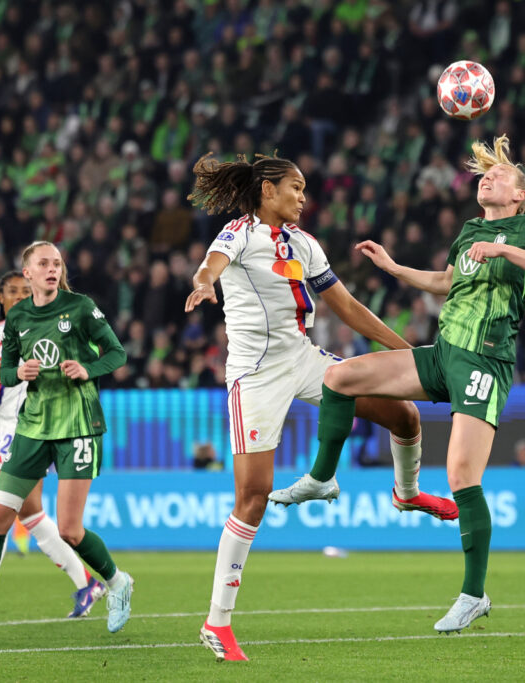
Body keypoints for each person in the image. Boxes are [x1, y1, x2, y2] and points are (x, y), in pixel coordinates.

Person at [269, 136, 525, 633]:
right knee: (340, 376)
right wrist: (393, 267)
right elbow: (446, 282)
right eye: (483, 176)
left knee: (462, 478)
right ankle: (323, 477)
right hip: (443, 354)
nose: (487, 178)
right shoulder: (471, 229)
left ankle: (474, 594)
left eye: (499, 177)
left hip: (484, 360)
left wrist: (506, 249)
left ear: (519, 196)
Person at [184, 152, 457, 662]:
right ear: (267, 190)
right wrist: (203, 284)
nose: (303, 198)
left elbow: (348, 308)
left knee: (405, 413)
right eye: (296, 187)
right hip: (255, 376)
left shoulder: (304, 245)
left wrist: (409, 356)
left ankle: (407, 494)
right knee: (253, 497)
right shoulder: (238, 233)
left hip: (305, 358)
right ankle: (216, 622)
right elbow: (210, 266)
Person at [0, 241, 132, 640]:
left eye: (57, 263)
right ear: (28, 273)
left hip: (76, 424)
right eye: (44, 263)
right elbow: (4, 372)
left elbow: (117, 353)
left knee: (71, 530)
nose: (52, 269)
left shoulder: (79, 307)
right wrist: (18, 371)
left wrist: (88, 368)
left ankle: (117, 582)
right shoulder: (17, 318)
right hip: (31, 429)